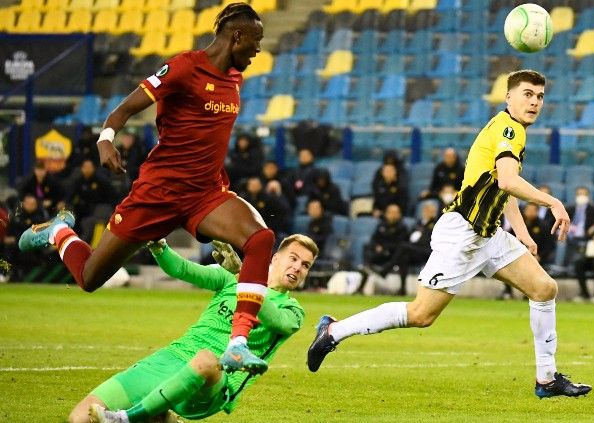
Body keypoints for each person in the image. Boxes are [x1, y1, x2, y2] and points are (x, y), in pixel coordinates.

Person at [19, 3, 273, 376]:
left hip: (205, 194)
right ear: (237, 35)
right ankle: (59, 232)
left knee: (261, 239)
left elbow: (207, 141)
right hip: (158, 194)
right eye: (256, 39)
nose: (258, 49)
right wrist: (106, 139)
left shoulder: (235, 78)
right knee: (89, 278)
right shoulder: (184, 67)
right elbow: (123, 109)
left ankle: (237, 343)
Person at [307, 70, 592, 398]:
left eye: (540, 97)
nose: (535, 102)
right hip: (463, 234)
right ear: (508, 97)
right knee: (421, 314)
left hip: (488, 234)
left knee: (544, 289)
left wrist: (524, 233)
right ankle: (333, 330)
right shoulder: (509, 129)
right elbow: (508, 181)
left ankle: (547, 379)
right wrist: (553, 201)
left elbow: (502, 187)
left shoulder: (507, 130)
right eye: (527, 94)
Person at [70, 234, 318, 423]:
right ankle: (160, 415)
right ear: (275, 258)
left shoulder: (293, 312)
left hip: (214, 384)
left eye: (305, 265)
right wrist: (158, 245)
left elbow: (273, 318)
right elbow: (182, 270)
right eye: (293, 258)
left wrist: (244, 274)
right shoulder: (228, 278)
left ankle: (125, 418)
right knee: (80, 417)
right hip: (172, 358)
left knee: (206, 359)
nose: (297, 267)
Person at [370, 201, 438, 296]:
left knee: (403, 246)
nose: (431, 213)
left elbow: (426, 242)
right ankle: (402, 289)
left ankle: (386, 269)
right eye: (428, 210)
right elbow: (410, 237)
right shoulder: (418, 223)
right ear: (423, 211)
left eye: (433, 211)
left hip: (426, 251)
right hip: (414, 250)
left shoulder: (435, 225)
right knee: (403, 258)